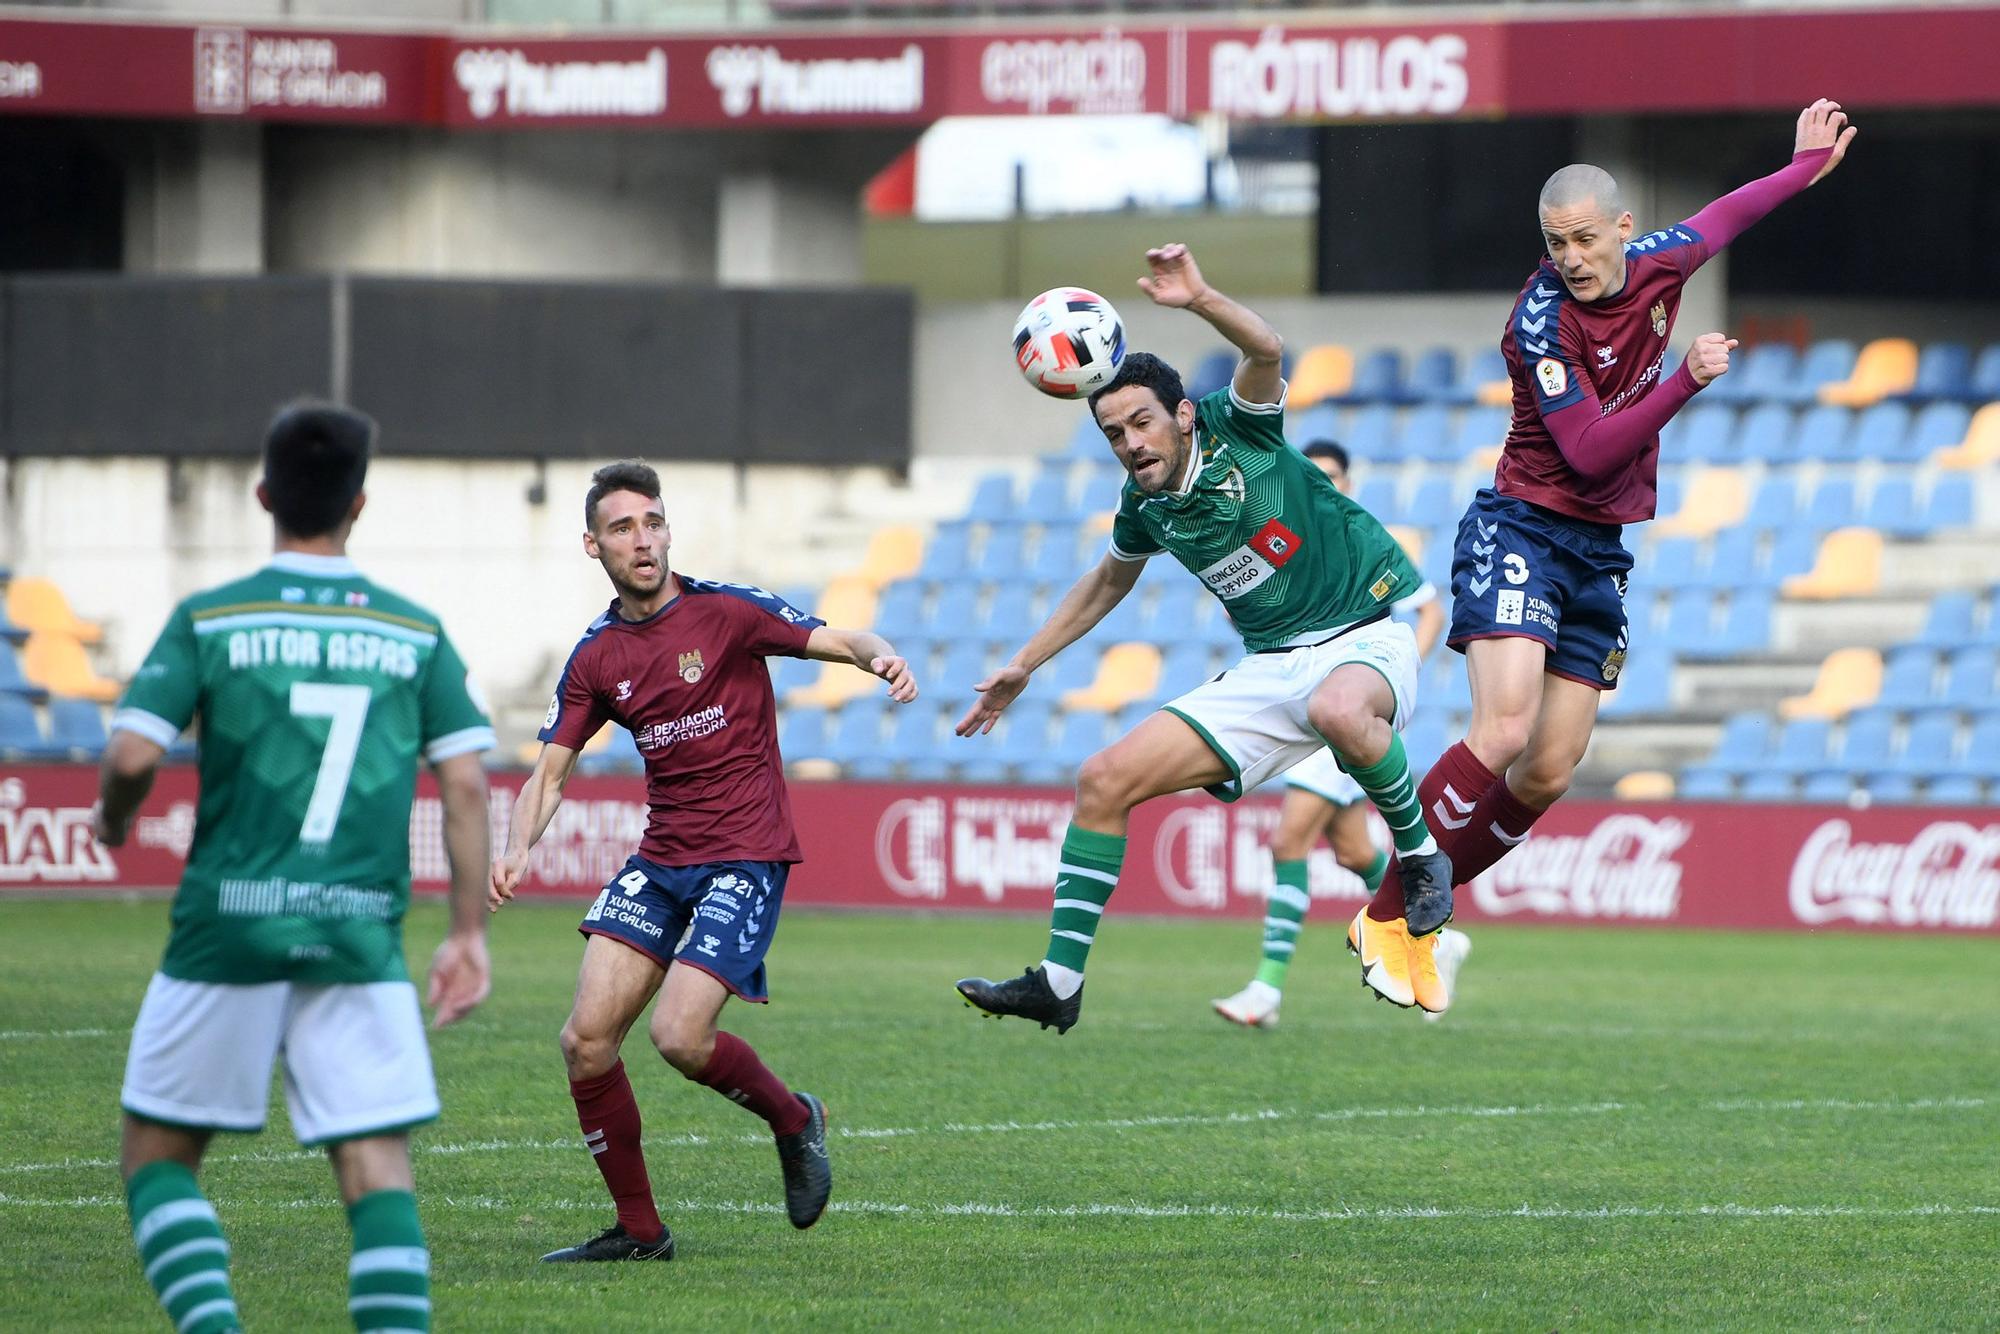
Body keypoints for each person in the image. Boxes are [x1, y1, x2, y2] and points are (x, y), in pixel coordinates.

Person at [1352, 98, 1859, 1003]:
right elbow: (1590, 451)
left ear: (1624, 227)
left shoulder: (1660, 261)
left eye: (1585, 239)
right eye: (1556, 244)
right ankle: (1389, 913)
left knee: (1547, 770)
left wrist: (1801, 169)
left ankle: (1415, 917)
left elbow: (1729, 213)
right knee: (1503, 730)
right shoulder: (1539, 323)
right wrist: (1686, 381)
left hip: (1599, 551)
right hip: (1523, 528)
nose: (1572, 259)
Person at [954, 243, 1452, 1035]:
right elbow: (1107, 581)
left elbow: (1265, 350)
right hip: (1271, 668)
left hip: (1365, 636)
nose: (1132, 443)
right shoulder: (1143, 505)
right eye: (1114, 433)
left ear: (1182, 414)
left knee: (1337, 709)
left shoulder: (1237, 426)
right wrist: (1022, 665)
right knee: (1102, 779)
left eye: (1142, 422)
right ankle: (1058, 981)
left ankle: (1423, 858)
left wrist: (1198, 298)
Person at [97, 401, 496, 1334]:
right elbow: (469, 786)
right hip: (356, 933)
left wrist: (114, 822)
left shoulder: (214, 616)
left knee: (157, 1157)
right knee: (375, 1169)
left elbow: (128, 760)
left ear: (264, 493)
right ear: (360, 502)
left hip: (224, 930)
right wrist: (469, 933)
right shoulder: (414, 630)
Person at [490, 460, 918, 1262]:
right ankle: (641, 1233)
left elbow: (838, 635)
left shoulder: (726, 612)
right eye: (623, 527)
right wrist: (517, 847)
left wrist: (880, 657)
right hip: (663, 858)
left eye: (653, 522)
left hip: (745, 853)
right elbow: (551, 769)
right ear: (594, 545)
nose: (642, 539)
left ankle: (795, 1120)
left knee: (680, 1036)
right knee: (585, 1041)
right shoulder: (596, 657)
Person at [1212, 439, 1470, 1026]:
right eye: (1314, 475)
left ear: (1348, 483)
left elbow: (1429, 609)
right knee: (1355, 851)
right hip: (1297, 700)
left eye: (1332, 476)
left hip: (1342, 707)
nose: (1323, 483)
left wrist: (1394, 676)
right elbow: (1239, 607)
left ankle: (1267, 989)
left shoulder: (1362, 535)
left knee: (1288, 843)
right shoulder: (1280, 537)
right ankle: (1435, 937)